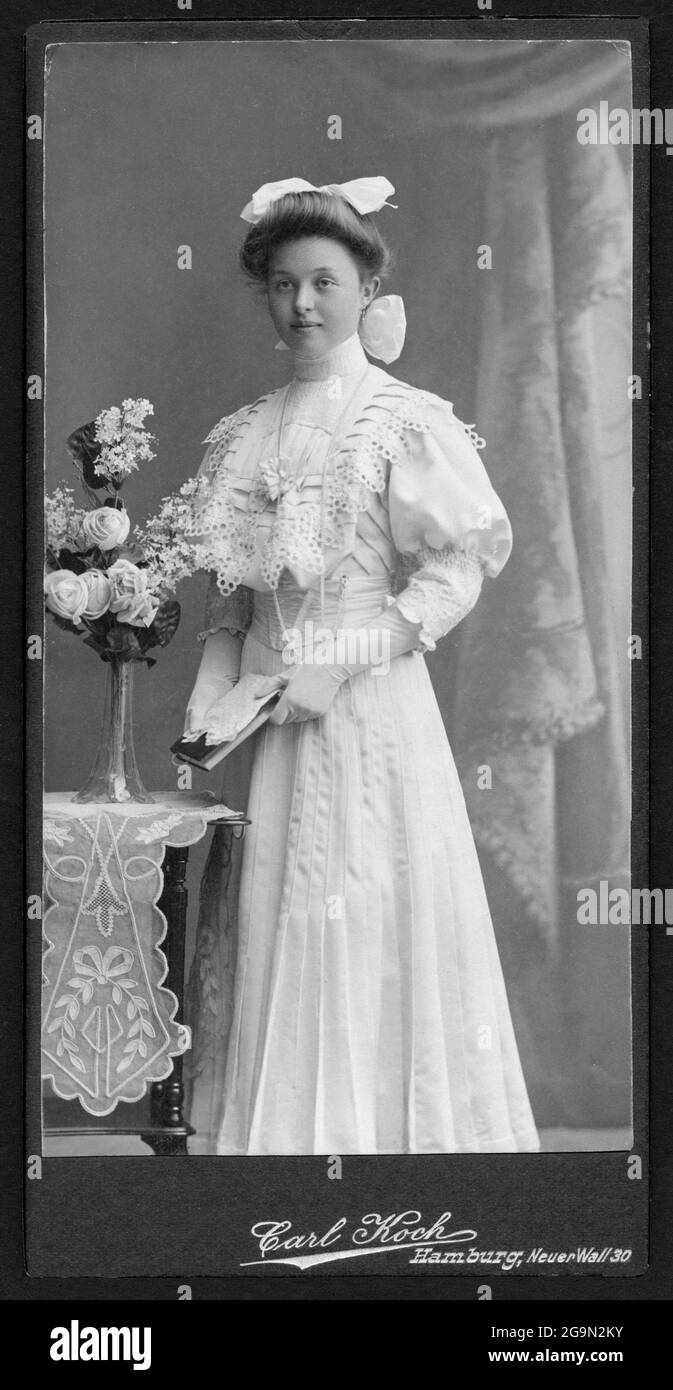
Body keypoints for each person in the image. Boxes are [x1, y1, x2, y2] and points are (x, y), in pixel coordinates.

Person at [181, 176, 539, 1155]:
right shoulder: (245, 433)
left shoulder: (398, 418)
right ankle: (288, 1160)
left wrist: (343, 664)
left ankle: (393, 1157)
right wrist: (212, 707)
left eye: (324, 283)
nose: (302, 304)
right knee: (287, 920)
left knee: (371, 911)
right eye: (284, 283)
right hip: (272, 729)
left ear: (365, 284)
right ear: (264, 291)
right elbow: (233, 601)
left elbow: (463, 559)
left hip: (372, 714)